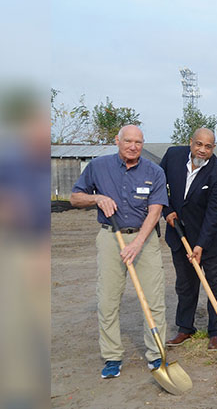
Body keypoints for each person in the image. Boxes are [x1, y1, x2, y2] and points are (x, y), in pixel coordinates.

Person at [70, 125, 169, 378]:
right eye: (128, 141)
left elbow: (155, 211)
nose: (133, 146)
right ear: (117, 141)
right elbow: (75, 198)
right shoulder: (98, 166)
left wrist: (137, 243)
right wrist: (96, 199)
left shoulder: (154, 171)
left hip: (144, 239)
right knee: (108, 300)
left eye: (138, 142)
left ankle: (157, 355)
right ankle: (112, 357)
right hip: (110, 238)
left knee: (154, 300)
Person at [160, 128, 217, 351]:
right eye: (198, 144)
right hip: (179, 234)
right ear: (191, 142)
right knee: (185, 284)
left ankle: (216, 331)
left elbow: (215, 212)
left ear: (213, 148)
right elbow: (159, 186)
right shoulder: (173, 156)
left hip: (211, 238)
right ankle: (184, 328)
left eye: (208, 147)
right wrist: (167, 211)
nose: (202, 150)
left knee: (215, 285)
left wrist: (200, 245)